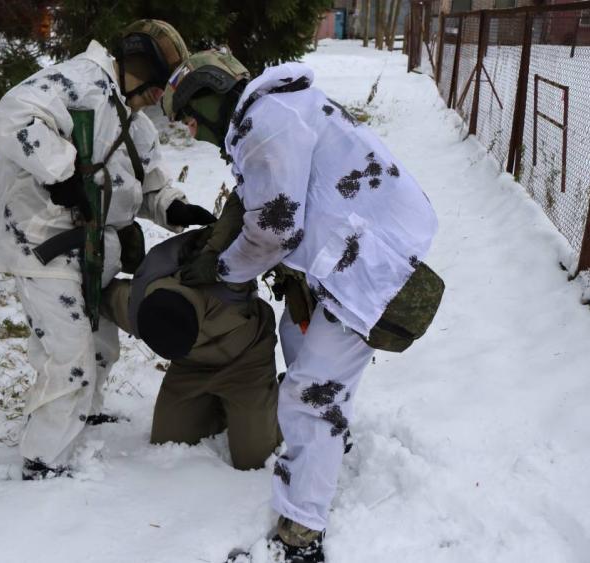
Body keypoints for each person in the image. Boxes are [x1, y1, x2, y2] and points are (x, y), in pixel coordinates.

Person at [162, 50, 441, 561]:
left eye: (188, 116)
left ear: (208, 95)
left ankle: (301, 533)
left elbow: (273, 228)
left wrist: (224, 270)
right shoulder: (277, 108)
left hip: (370, 269)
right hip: (356, 245)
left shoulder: (266, 123)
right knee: (297, 334)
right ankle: (329, 449)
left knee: (310, 395)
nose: (190, 129)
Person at [0, 20, 218, 481]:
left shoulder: (134, 120)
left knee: (102, 346)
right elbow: (8, 119)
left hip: (93, 247)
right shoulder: (76, 82)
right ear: (138, 63)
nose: (157, 97)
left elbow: (147, 185)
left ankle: (83, 413)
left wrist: (177, 208)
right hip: (41, 239)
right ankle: (43, 457)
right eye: (157, 84)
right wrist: (62, 172)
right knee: (70, 356)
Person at [100, 227, 280, 471]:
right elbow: (99, 296)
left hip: (246, 364)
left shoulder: (230, 295)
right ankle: (220, 408)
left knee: (254, 460)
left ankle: (278, 406)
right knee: (168, 441)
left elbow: (260, 233)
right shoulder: (138, 306)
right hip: (190, 368)